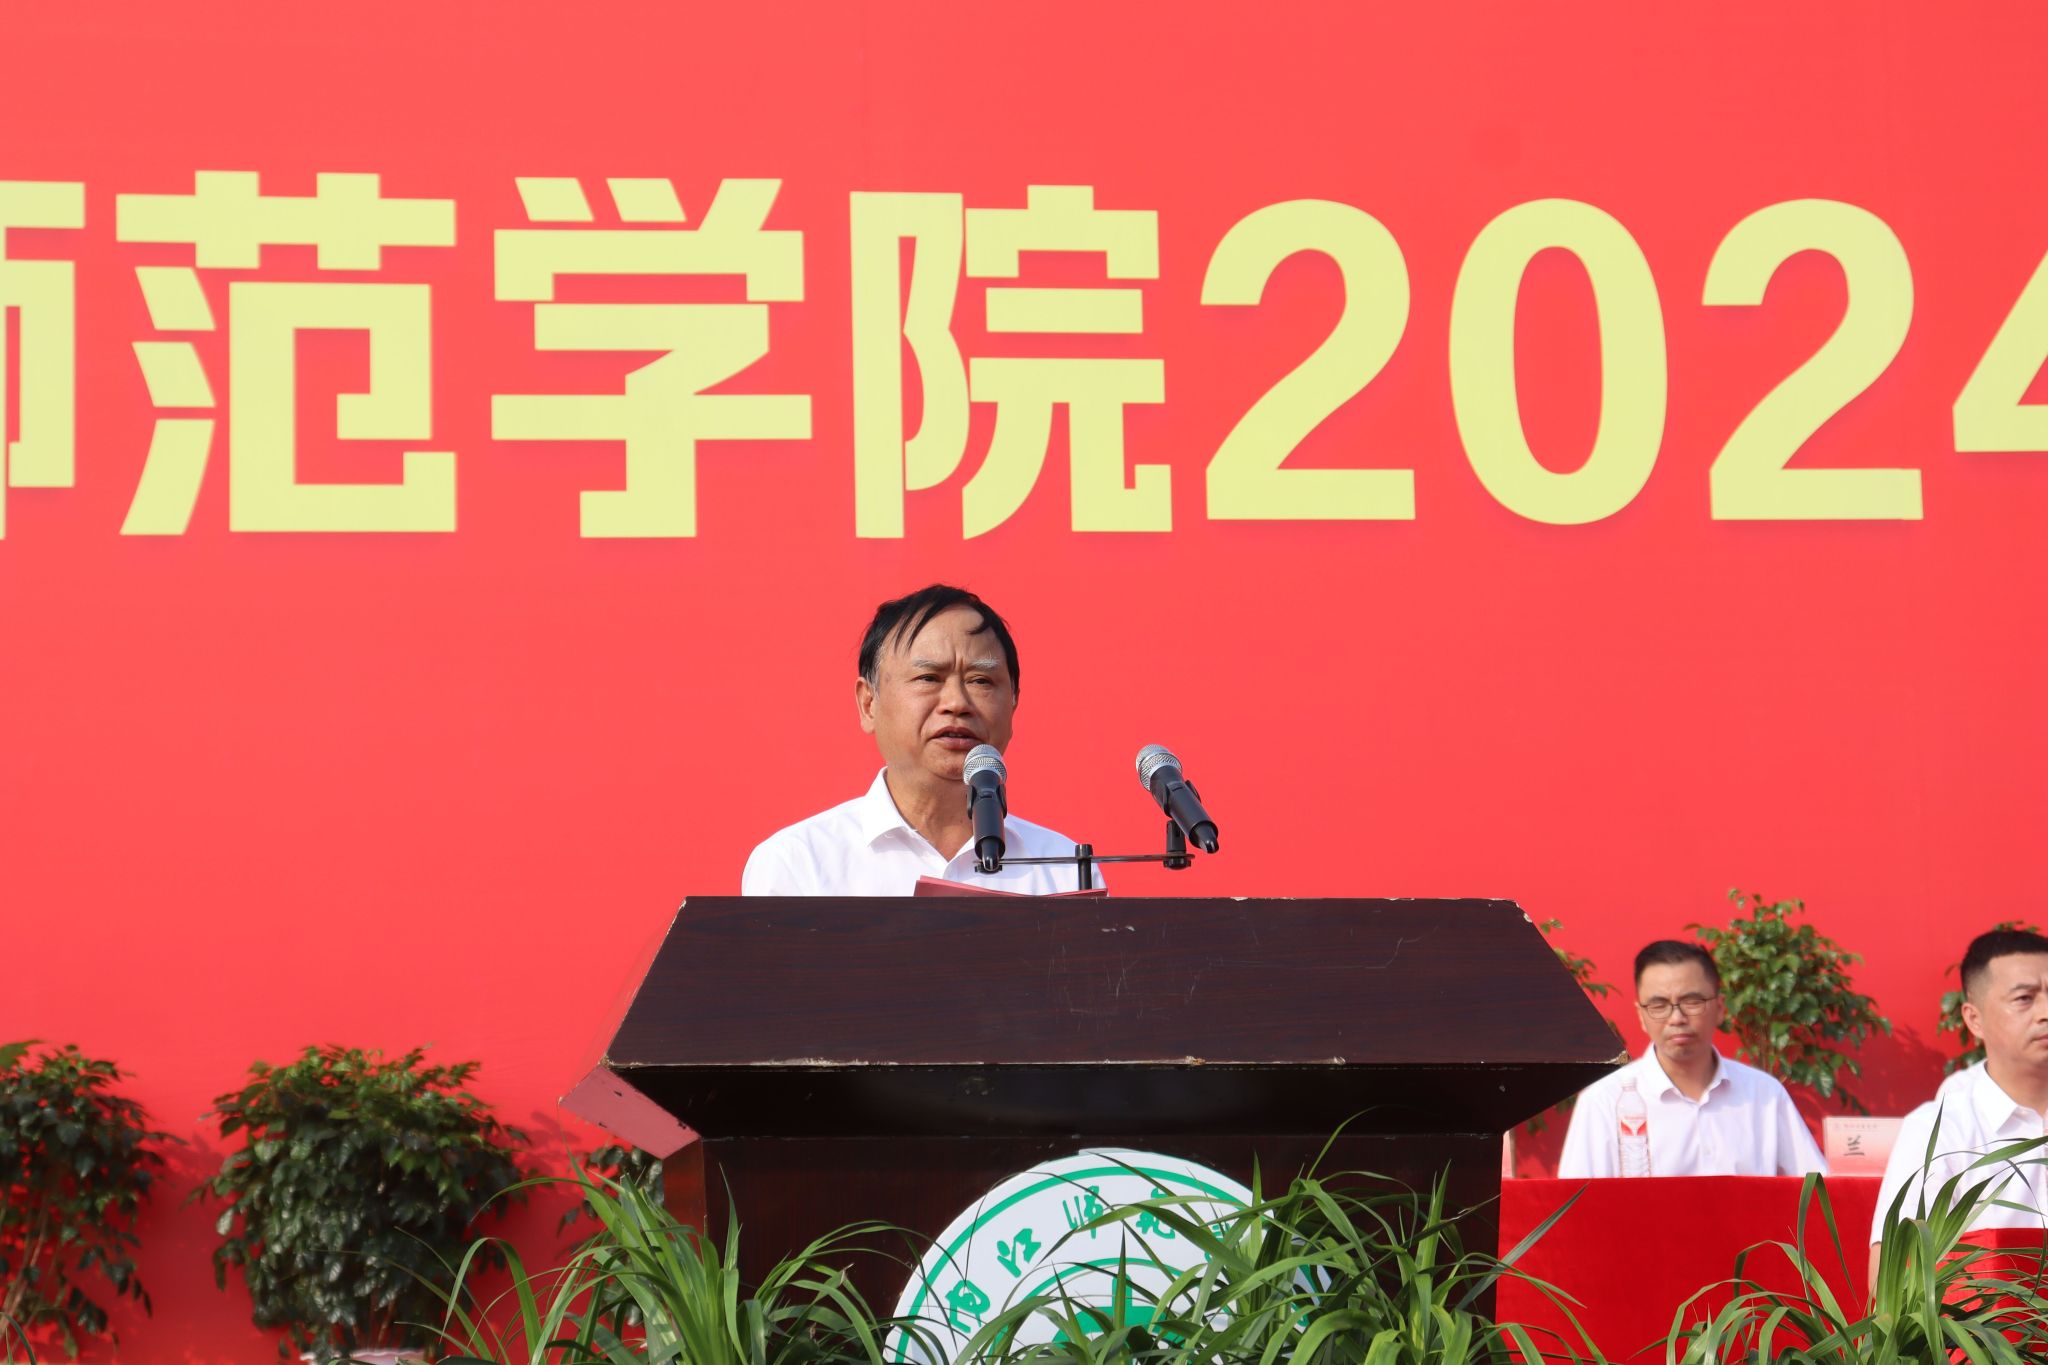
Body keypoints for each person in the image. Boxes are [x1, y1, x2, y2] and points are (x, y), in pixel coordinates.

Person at [741, 584, 1098, 896]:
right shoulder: (800, 863)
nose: (957, 703)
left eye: (981, 681)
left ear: (1014, 703)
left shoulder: (1064, 868)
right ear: (869, 703)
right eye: (929, 678)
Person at [1558, 940, 1826, 1178]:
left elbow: (1816, 1189)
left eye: (1692, 1002)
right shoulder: (1604, 1101)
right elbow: (1575, 1208)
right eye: (1659, 1005)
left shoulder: (1764, 1094)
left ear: (1720, 1008)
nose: (1677, 1018)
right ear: (1641, 1016)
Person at [1870, 928, 2048, 1284]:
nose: (2045, 1012)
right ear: (1974, 1019)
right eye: (2024, 999)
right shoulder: (1939, 1129)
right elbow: (1891, 1281)